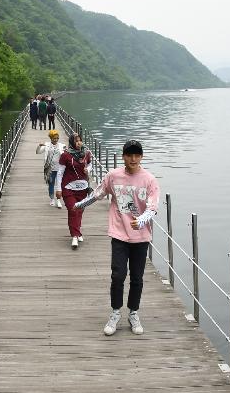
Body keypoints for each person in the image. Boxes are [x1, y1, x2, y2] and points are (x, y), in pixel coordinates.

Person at [74, 139, 159, 336]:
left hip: (141, 237)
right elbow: (98, 194)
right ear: (123, 156)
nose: (133, 158)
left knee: (137, 278)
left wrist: (142, 220)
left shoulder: (149, 180)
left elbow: (153, 207)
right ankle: (115, 312)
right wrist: (79, 205)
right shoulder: (113, 176)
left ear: (142, 157)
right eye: (129, 155)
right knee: (118, 275)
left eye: (137, 155)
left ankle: (133, 312)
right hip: (119, 234)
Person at [54, 133, 92, 249]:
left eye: (80, 140)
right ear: (71, 142)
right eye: (76, 141)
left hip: (83, 188)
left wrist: (88, 170)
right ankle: (75, 236)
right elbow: (60, 173)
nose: (79, 143)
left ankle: (77, 231)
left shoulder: (86, 153)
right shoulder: (65, 155)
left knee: (80, 211)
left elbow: (90, 165)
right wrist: (58, 189)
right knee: (73, 210)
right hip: (68, 188)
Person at [36, 129, 65, 208]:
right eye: (54, 138)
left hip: (59, 168)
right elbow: (38, 152)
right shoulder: (47, 145)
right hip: (50, 169)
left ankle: (59, 200)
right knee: (51, 184)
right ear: (51, 138)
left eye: (57, 138)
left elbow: (66, 155)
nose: (55, 140)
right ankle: (52, 199)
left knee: (59, 184)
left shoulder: (62, 146)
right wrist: (39, 146)